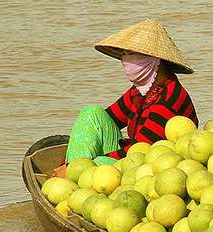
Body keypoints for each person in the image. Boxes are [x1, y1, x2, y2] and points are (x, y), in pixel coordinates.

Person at [53, 19, 198, 177]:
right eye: (125, 55)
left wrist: (88, 164)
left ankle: (73, 174)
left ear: (155, 59)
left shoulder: (169, 98)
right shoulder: (140, 91)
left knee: (98, 165)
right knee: (91, 112)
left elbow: (140, 151)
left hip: (151, 167)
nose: (126, 61)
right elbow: (104, 121)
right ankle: (74, 169)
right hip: (133, 156)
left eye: (133, 55)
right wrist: (75, 160)